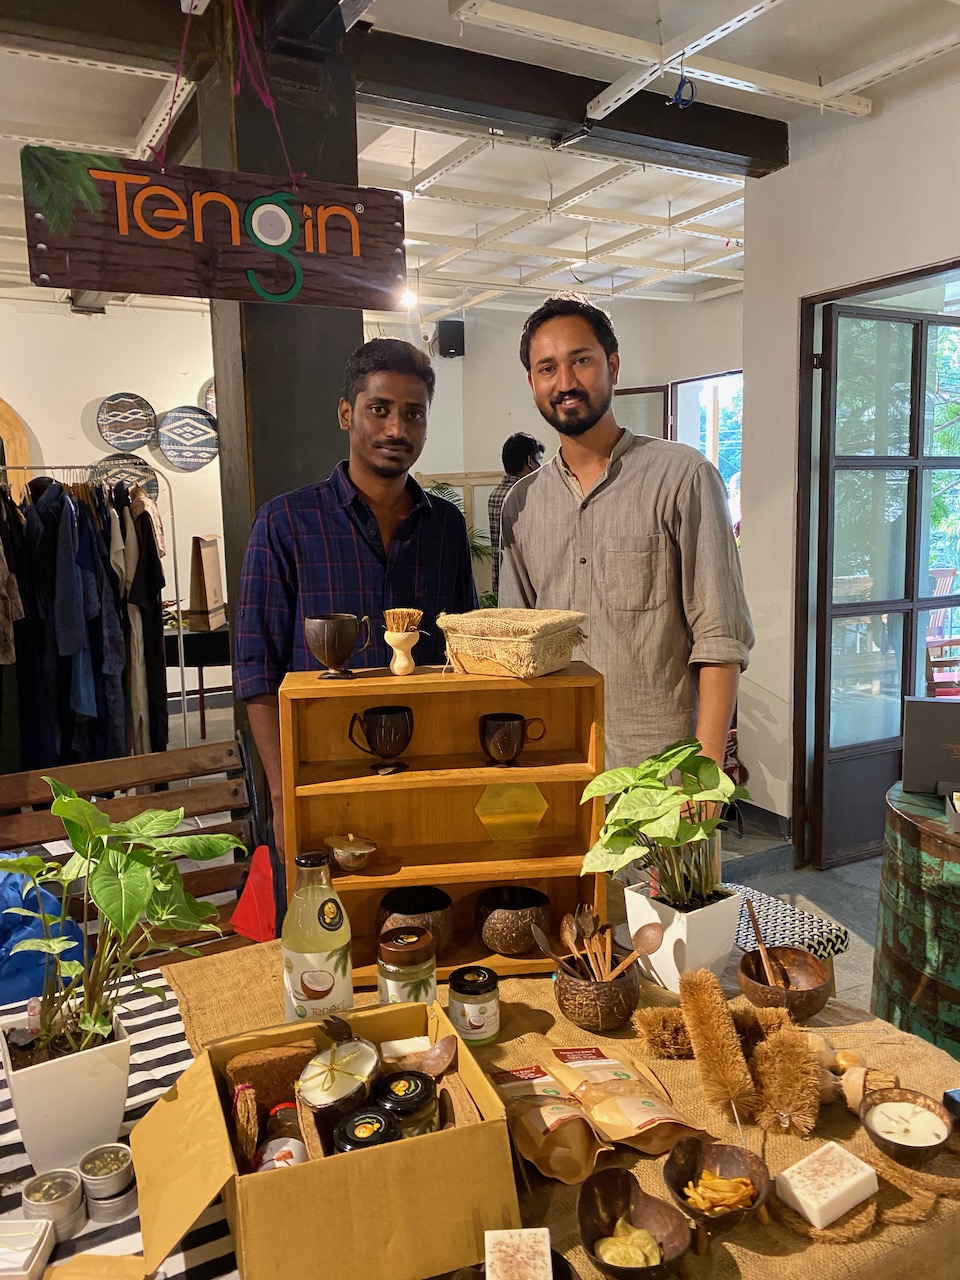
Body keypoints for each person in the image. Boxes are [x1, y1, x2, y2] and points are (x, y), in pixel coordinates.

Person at [234, 338, 477, 849]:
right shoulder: (285, 523)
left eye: (413, 414)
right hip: (322, 771)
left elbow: (463, 650)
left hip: (430, 765)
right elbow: (257, 669)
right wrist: (281, 794)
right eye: (379, 410)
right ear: (346, 413)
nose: (397, 429)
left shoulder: (445, 526)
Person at [499, 293, 753, 770]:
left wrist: (705, 773)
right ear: (532, 382)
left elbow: (720, 637)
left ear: (612, 366)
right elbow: (518, 643)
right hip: (558, 758)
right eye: (547, 368)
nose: (565, 383)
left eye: (581, 361)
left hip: (660, 772)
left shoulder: (682, 477)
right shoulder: (522, 504)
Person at [488, 432, 544, 599]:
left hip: (502, 582)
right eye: (539, 460)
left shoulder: (495, 494)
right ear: (530, 461)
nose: (541, 467)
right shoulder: (527, 496)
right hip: (530, 588)